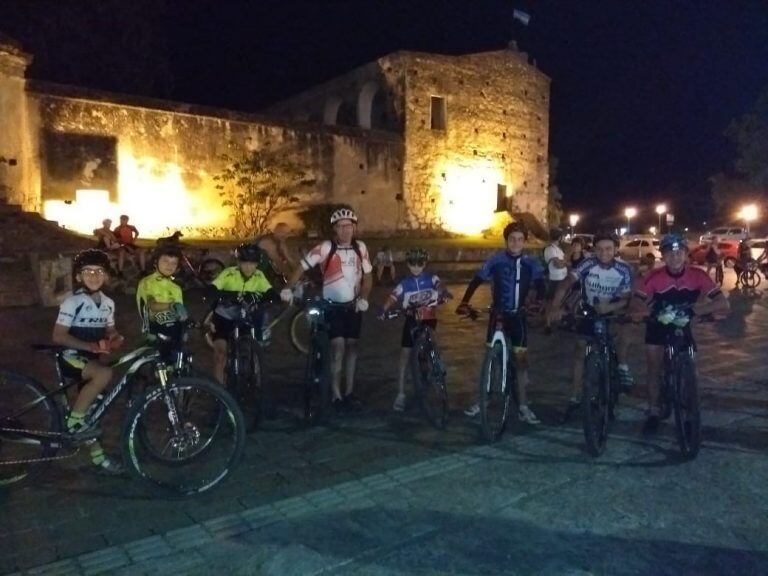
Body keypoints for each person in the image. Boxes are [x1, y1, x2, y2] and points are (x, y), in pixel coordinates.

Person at [632, 234, 729, 434]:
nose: (675, 257)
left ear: (685, 255)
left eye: (679, 253)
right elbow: (636, 301)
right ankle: (653, 411)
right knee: (653, 368)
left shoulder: (698, 275)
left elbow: (723, 303)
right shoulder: (653, 277)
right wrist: (650, 313)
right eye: (670, 253)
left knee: (690, 368)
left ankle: (689, 409)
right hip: (657, 324)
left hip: (682, 323)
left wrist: (695, 311)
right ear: (663, 257)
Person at [282, 207, 373, 411]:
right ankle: (335, 394)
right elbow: (302, 267)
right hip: (332, 306)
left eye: (348, 226)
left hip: (353, 306)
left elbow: (368, 276)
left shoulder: (361, 248)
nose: (345, 231)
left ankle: (349, 392)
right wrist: (288, 288)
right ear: (335, 230)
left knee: (352, 348)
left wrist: (364, 298)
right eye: (340, 227)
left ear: (354, 228)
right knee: (338, 348)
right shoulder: (325, 248)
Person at [456, 221, 545, 424]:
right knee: (489, 357)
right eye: (512, 239)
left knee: (521, 362)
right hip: (498, 314)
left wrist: (539, 302)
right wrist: (464, 301)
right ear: (507, 241)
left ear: (525, 241)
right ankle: (483, 400)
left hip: (518, 315)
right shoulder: (496, 260)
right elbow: (477, 280)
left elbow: (541, 284)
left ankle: (523, 406)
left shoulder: (531, 263)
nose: (515, 243)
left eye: (520, 239)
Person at [52, 249, 124, 474]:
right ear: (78, 277)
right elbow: (59, 336)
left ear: (107, 276)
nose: (94, 275)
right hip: (70, 356)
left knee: (95, 410)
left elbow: (110, 329)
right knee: (104, 375)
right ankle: (75, 420)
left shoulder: (108, 303)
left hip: (91, 360)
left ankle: (98, 457)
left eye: (99, 271)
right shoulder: (73, 302)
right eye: (88, 271)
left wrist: (115, 337)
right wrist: (90, 347)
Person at [549, 232, 634, 418]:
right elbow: (566, 283)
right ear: (594, 250)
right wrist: (554, 307)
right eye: (600, 249)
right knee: (580, 350)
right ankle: (575, 396)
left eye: (609, 249)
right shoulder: (587, 264)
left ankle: (622, 368)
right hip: (590, 309)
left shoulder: (624, 269)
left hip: (615, 309)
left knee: (623, 335)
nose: (604, 252)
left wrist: (611, 306)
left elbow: (629, 298)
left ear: (616, 249)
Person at [204, 243, 288, 385]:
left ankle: (255, 370)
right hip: (224, 317)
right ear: (238, 262)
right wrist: (227, 295)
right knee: (220, 355)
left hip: (246, 317)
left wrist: (279, 296)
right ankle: (219, 392)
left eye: (252, 263)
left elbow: (270, 293)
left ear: (257, 264)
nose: (249, 267)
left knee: (256, 342)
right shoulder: (228, 273)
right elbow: (211, 290)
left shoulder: (259, 276)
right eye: (245, 263)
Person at [378, 247, 448, 411]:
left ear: (425, 263)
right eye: (412, 263)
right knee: (404, 355)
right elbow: (393, 296)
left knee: (429, 336)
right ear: (407, 264)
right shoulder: (405, 283)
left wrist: (443, 293)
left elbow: (439, 285)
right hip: (411, 317)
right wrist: (384, 309)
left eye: (420, 263)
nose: (416, 266)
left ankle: (435, 358)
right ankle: (400, 394)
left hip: (428, 314)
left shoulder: (431, 277)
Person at [136, 244, 186, 350]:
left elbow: (179, 313)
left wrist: (184, 326)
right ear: (155, 262)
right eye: (165, 261)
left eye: (174, 263)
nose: (170, 265)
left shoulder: (176, 288)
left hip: (174, 332)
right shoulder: (147, 282)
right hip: (153, 333)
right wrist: (172, 305)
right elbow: (151, 305)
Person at [544, 228, 568, 332]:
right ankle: (547, 325)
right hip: (555, 279)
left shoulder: (557, 249)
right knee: (551, 303)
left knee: (558, 302)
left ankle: (554, 321)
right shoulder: (550, 249)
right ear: (560, 237)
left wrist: (564, 261)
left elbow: (563, 263)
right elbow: (558, 264)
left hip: (562, 278)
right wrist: (565, 260)